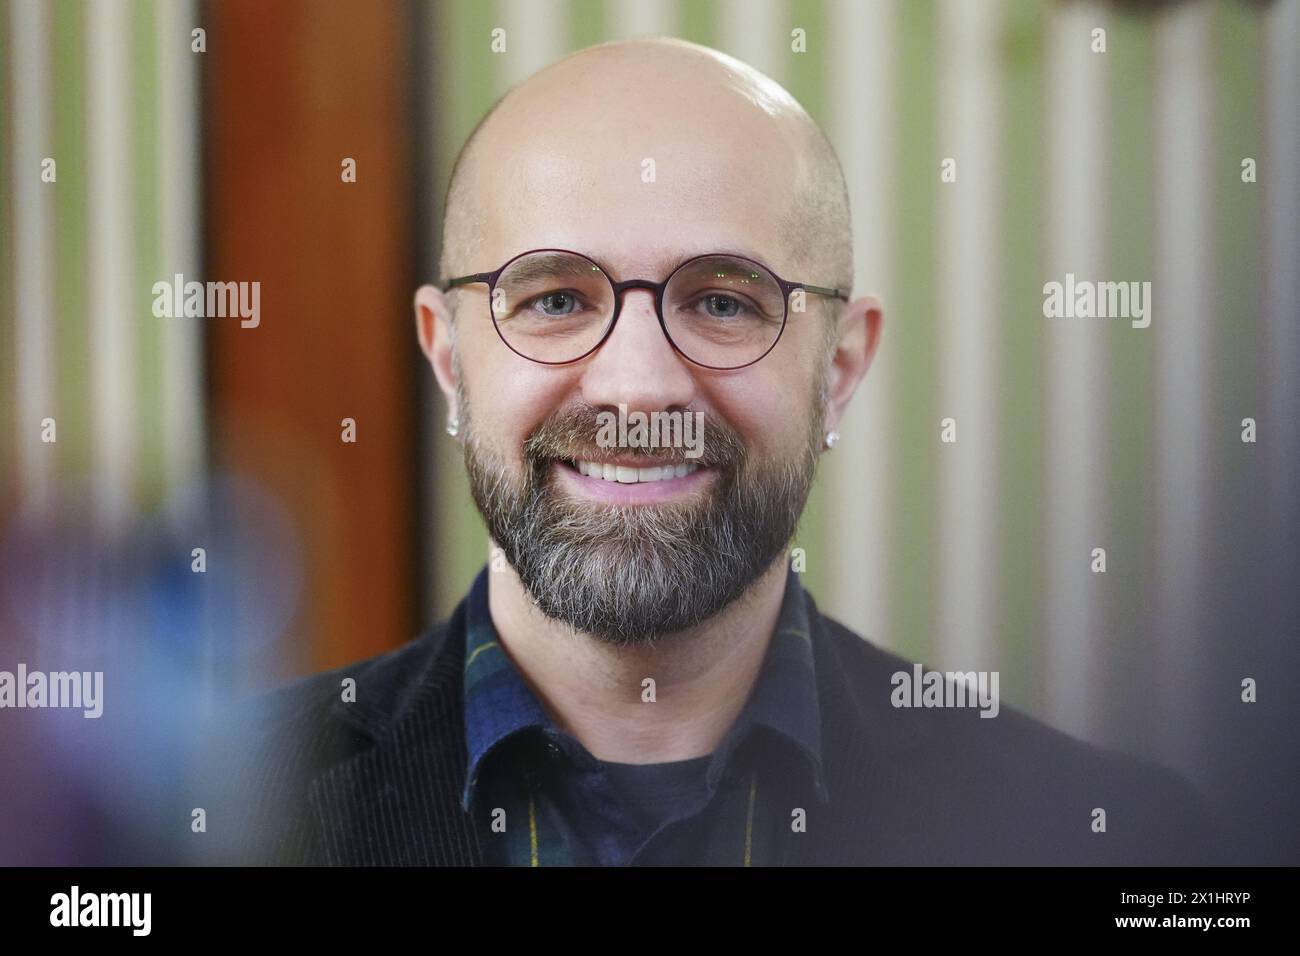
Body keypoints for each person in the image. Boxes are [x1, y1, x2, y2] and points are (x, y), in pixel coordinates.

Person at [188, 37, 1226, 866]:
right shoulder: (189, 823)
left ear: (841, 365)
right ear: (448, 356)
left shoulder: (1104, 836)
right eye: (555, 297)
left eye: (724, 300)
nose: (637, 384)